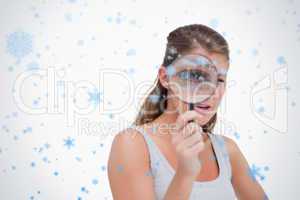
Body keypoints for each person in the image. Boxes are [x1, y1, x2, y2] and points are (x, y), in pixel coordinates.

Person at [108, 24, 268, 199]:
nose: (211, 91)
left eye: (220, 79)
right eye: (197, 76)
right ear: (165, 77)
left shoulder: (226, 150)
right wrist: (185, 174)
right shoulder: (132, 144)